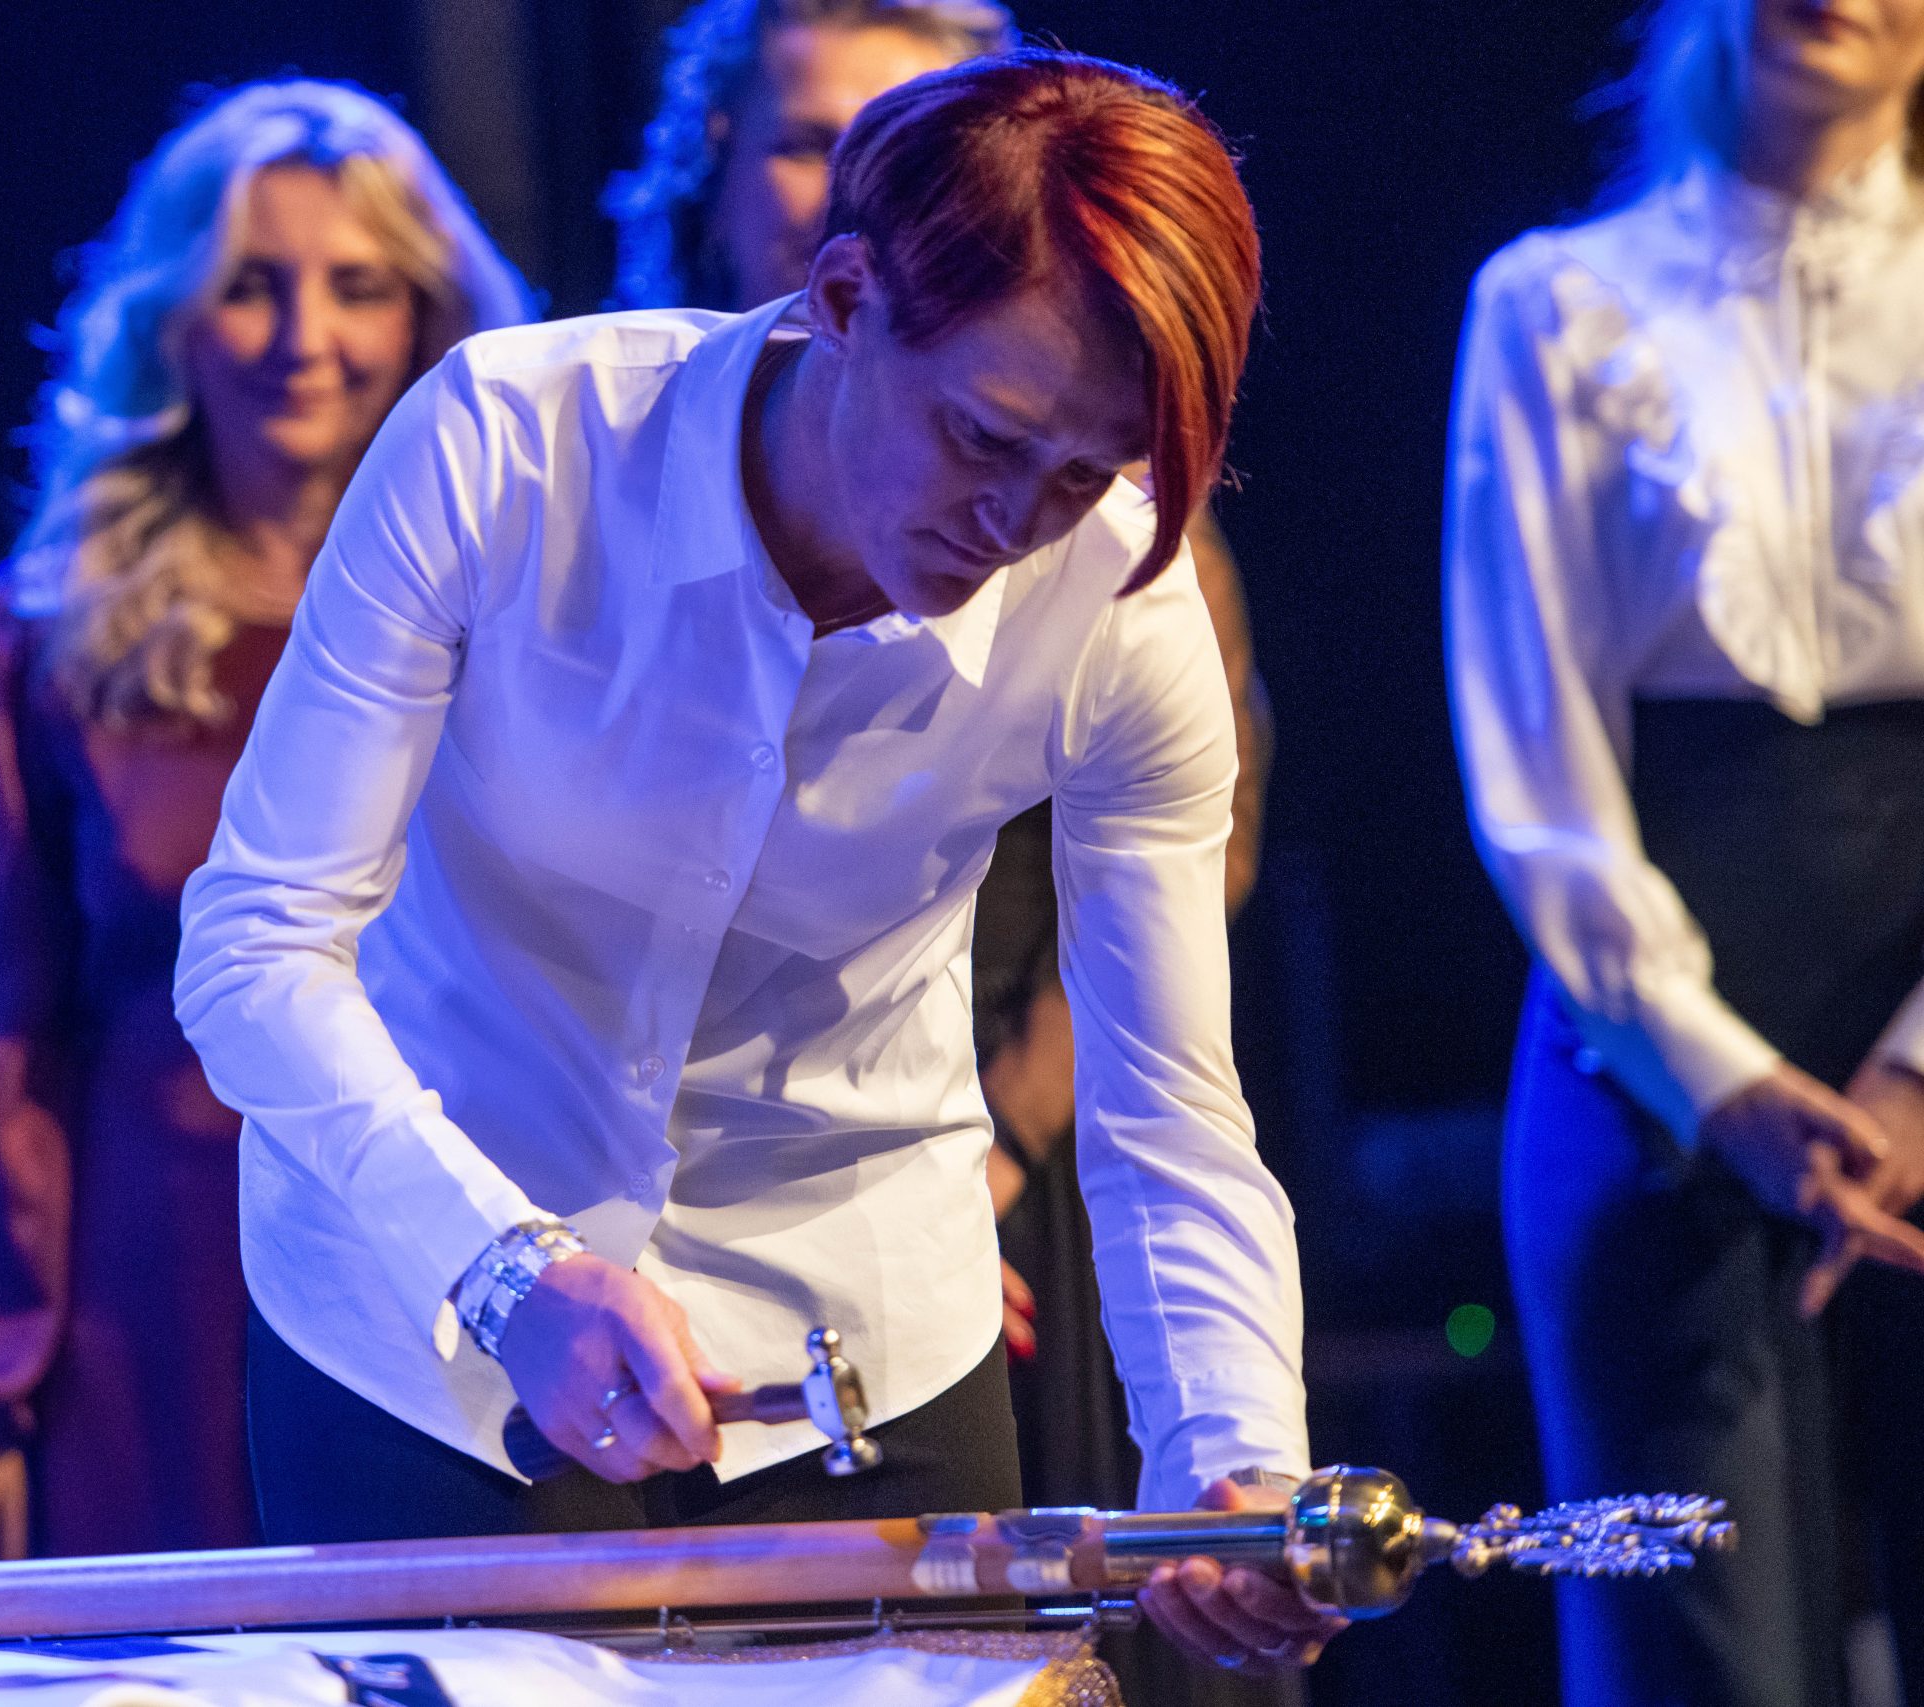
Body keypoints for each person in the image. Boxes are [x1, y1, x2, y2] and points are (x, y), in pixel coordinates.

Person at [178, 49, 1339, 1679]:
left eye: (1081, 474)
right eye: (983, 437)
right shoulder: (510, 447)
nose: (1017, 524)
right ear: (845, 299)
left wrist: (1232, 1453)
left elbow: (1168, 1107)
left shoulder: (1122, 617)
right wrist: (510, 1270)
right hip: (434, 1310)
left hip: (859, 1321)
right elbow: (255, 947)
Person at [603, 0, 1280, 1613]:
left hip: (979, 1154)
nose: (867, 176)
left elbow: (1169, 1041)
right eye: (809, 141)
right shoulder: (585, 452)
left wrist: (980, 1168)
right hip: (586, 1236)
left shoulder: (1112, 560)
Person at [0, 79, 532, 1565]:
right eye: (250, 286)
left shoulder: (527, 604)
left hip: (463, 1251)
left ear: (428, 318)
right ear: (172, 321)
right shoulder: (59, 630)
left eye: (359, 286)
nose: (306, 338)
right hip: (159, 1276)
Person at [1445, 0, 1924, 1700]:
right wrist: (1713, 1075)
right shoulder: (1553, 303)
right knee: (1690, 1645)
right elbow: (1534, 748)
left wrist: (1915, 1075)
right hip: (1647, 1035)